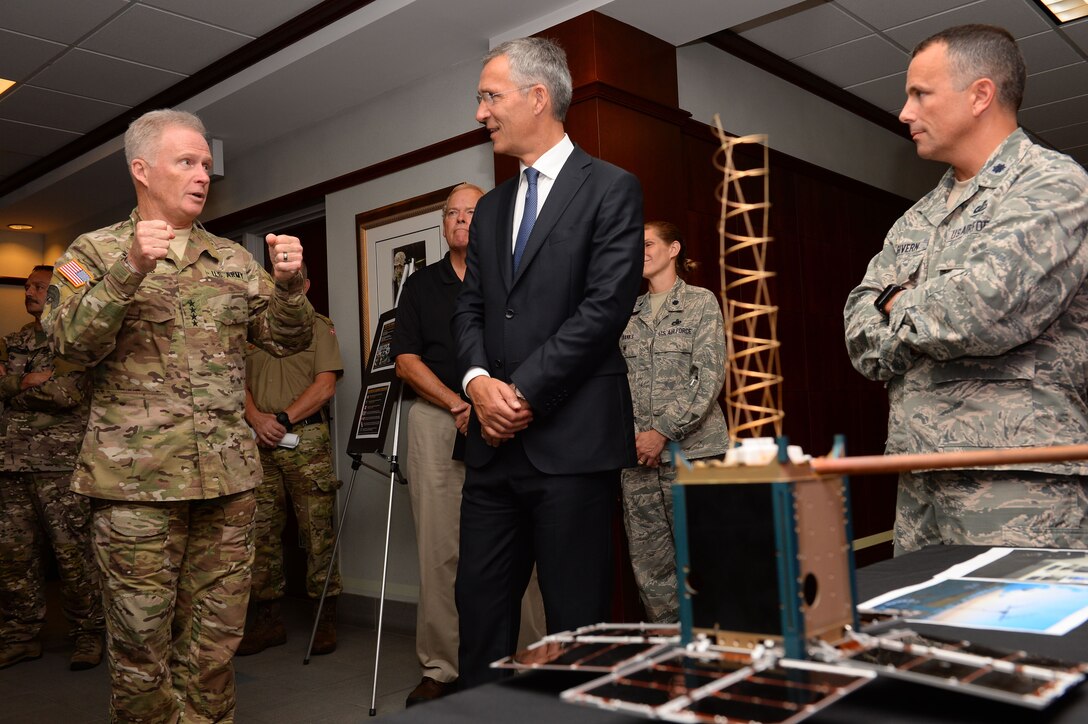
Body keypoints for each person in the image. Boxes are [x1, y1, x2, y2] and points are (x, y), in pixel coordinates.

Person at [41, 109, 314, 722]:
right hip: (136, 491)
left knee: (215, 647)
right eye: (186, 162)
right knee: (141, 653)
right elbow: (65, 348)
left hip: (229, 484)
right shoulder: (94, 252)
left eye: (207, 166)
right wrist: (129, 271)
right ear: (141, 170)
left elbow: (286, 339)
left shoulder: (231, 259)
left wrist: (291, 285)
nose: (201, 176)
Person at [844, 25, 1088, 555]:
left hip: (1018, 480)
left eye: (920, 94)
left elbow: (982, 310)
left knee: (1016, 638)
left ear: (980, 95)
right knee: (922, 635)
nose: (905, 113)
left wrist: (897, 308)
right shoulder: (916, 217)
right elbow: (858, 333)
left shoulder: (1052, 184)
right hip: (920, 476)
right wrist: (920, 310)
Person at [451, 37, 643, 688]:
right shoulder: (491, 209)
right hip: (490, 452)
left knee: (578, 629)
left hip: (571, 443)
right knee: (478, 616)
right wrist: (478, 385)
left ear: (538, 97)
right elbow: (470, 308)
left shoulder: (612, 189)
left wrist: (520, 394)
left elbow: (603, 309)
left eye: (490, 96)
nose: (480, 112)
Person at [392, 182, 546, 705]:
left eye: (472, 212)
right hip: (439, 419)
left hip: (507, 418)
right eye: (452, 213)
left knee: (516, 545)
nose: (461, 220)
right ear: (443, 226)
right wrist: (457, 403)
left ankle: (531, 658)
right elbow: (406, 360)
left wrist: (494, 405)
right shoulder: (419, 287)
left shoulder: (515, 275)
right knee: (440, 550)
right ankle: (442, 666)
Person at [620, 222, 728, 622]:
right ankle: (672, 661)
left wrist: (662, 431)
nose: (640, 251)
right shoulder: (625, 314)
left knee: (708, 559)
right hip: (639, 463)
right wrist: (634, 439)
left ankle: (717, 656)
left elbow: (708, 377)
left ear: (673, 249)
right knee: (652, 569)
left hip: (694, 456)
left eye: (648, 244)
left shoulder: (701, 303)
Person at [0, 266, 104, 671]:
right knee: (13, 554)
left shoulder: (75, 339)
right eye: (27, 285)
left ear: (60, 291)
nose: (29, 291)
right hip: (11, 462)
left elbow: (64, 393)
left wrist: (13, 384)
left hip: (58, 465)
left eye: (39, 286)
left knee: (72, 553)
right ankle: (20, 634)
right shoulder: (17, 339)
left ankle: (88, 633)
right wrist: (27, 382)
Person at [239, 262, 343, 656]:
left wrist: (281, 420)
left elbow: (326, 384)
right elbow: (238, 382)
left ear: (307, 284)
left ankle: (324, 619)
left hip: (305, 438)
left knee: (317, 533)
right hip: (258, 440)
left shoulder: (318, 325)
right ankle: (269, 622)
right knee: (260, 534)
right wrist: (255, 418)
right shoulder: (250, 330)